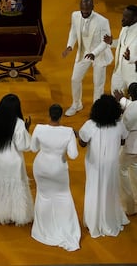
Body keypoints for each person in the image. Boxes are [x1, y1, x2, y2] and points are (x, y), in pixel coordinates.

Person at [30, 104, 81, 251]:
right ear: (61, 116)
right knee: (63, 196)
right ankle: (64, 228)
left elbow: (33, 148)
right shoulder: (68, 132)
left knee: (44, 196)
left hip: (41, 167)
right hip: (58, 169)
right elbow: (73, 155)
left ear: (49, 114)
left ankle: (44, 228)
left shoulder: (39, 128)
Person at [78, 94, 130, 238]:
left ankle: (94, 221)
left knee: (94, 189)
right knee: (110, 189)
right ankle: (109, 218)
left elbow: (82, 142)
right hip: (112, 164)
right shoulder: (119, 124)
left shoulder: (90, 125)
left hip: (95, 164)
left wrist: (79, 137)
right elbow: (123, 141)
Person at [0, 93, 34, 226]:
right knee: (15, 189)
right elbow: (24, 145)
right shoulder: (18, 123)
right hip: (12, 162)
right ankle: (16, 216)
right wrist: (27, 131)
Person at [62, 0, 113, 117]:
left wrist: (94, 53)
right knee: (75, 79)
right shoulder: (75, 15)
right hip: (84, 52)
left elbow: (105, 42)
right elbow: (73, 31)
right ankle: (76, 104)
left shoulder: (102, 21)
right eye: (82, 10)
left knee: (98, 83)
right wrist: (70, 46)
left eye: (87, 10)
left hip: (99, 54)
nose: (84, 13)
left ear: (92, 8)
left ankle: (97, 109)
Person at [114, 82, 137, 215]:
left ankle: (129, 207)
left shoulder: (130, 110)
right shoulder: (131, 105)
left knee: (120, 169)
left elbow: (124, 128)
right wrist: (122, 100)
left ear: (130, 94)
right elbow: (130, 104)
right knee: (134, 168)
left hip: (131, 147)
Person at [104, 5, 137, 94]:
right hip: (118, 70)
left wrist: (131, 58)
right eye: (123, 15)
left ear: (134, 19)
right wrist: (112, 42)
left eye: (126, 17)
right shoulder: (125, 27)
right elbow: (122, 43)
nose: (122, 19)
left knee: (133, 100)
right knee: (115, 96)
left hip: (133, 73)